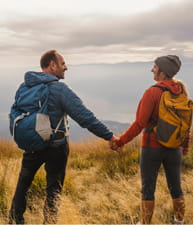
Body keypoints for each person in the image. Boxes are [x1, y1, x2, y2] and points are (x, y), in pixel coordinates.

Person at [9, 50, 119, 224]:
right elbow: (84, 117)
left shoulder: (24, 86)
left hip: (31, 144)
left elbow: (16, 112)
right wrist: (109, 136)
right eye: (63, 63)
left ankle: (15, 220)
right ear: (52, 65)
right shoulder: (58, 88)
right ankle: (50, 222)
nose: (65, 67)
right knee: (53, 188)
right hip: (56, 146)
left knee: (23, 184)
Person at [111, 55, 191, 224]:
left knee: (148, 189)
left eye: (154, 67)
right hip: (175, 148)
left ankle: (145, 223)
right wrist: (184, 146)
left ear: (162, 72)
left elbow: (140, 123)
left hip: (152, 147)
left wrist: (120, 141)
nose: (152, 70)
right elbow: (185, 123)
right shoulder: (181, 91)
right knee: (176, 188)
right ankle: (179, 221)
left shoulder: (153, 92)